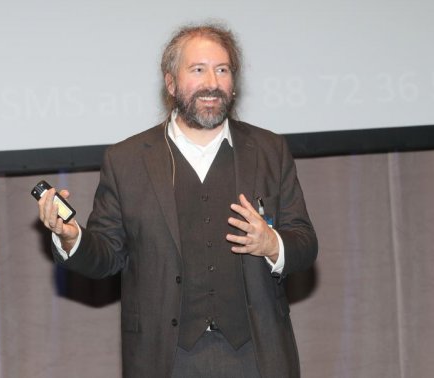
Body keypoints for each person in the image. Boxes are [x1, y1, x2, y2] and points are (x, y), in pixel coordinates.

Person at [37, 23, 318, 378]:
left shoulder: (269, 150)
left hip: (257, 357)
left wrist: (273, 244)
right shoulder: (126, 160)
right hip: (165, 358)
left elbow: (305, 244)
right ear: (170, 83)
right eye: (198, 70)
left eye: (222, 70)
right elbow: (107, 255)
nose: (212, 83)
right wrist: (71, 237)